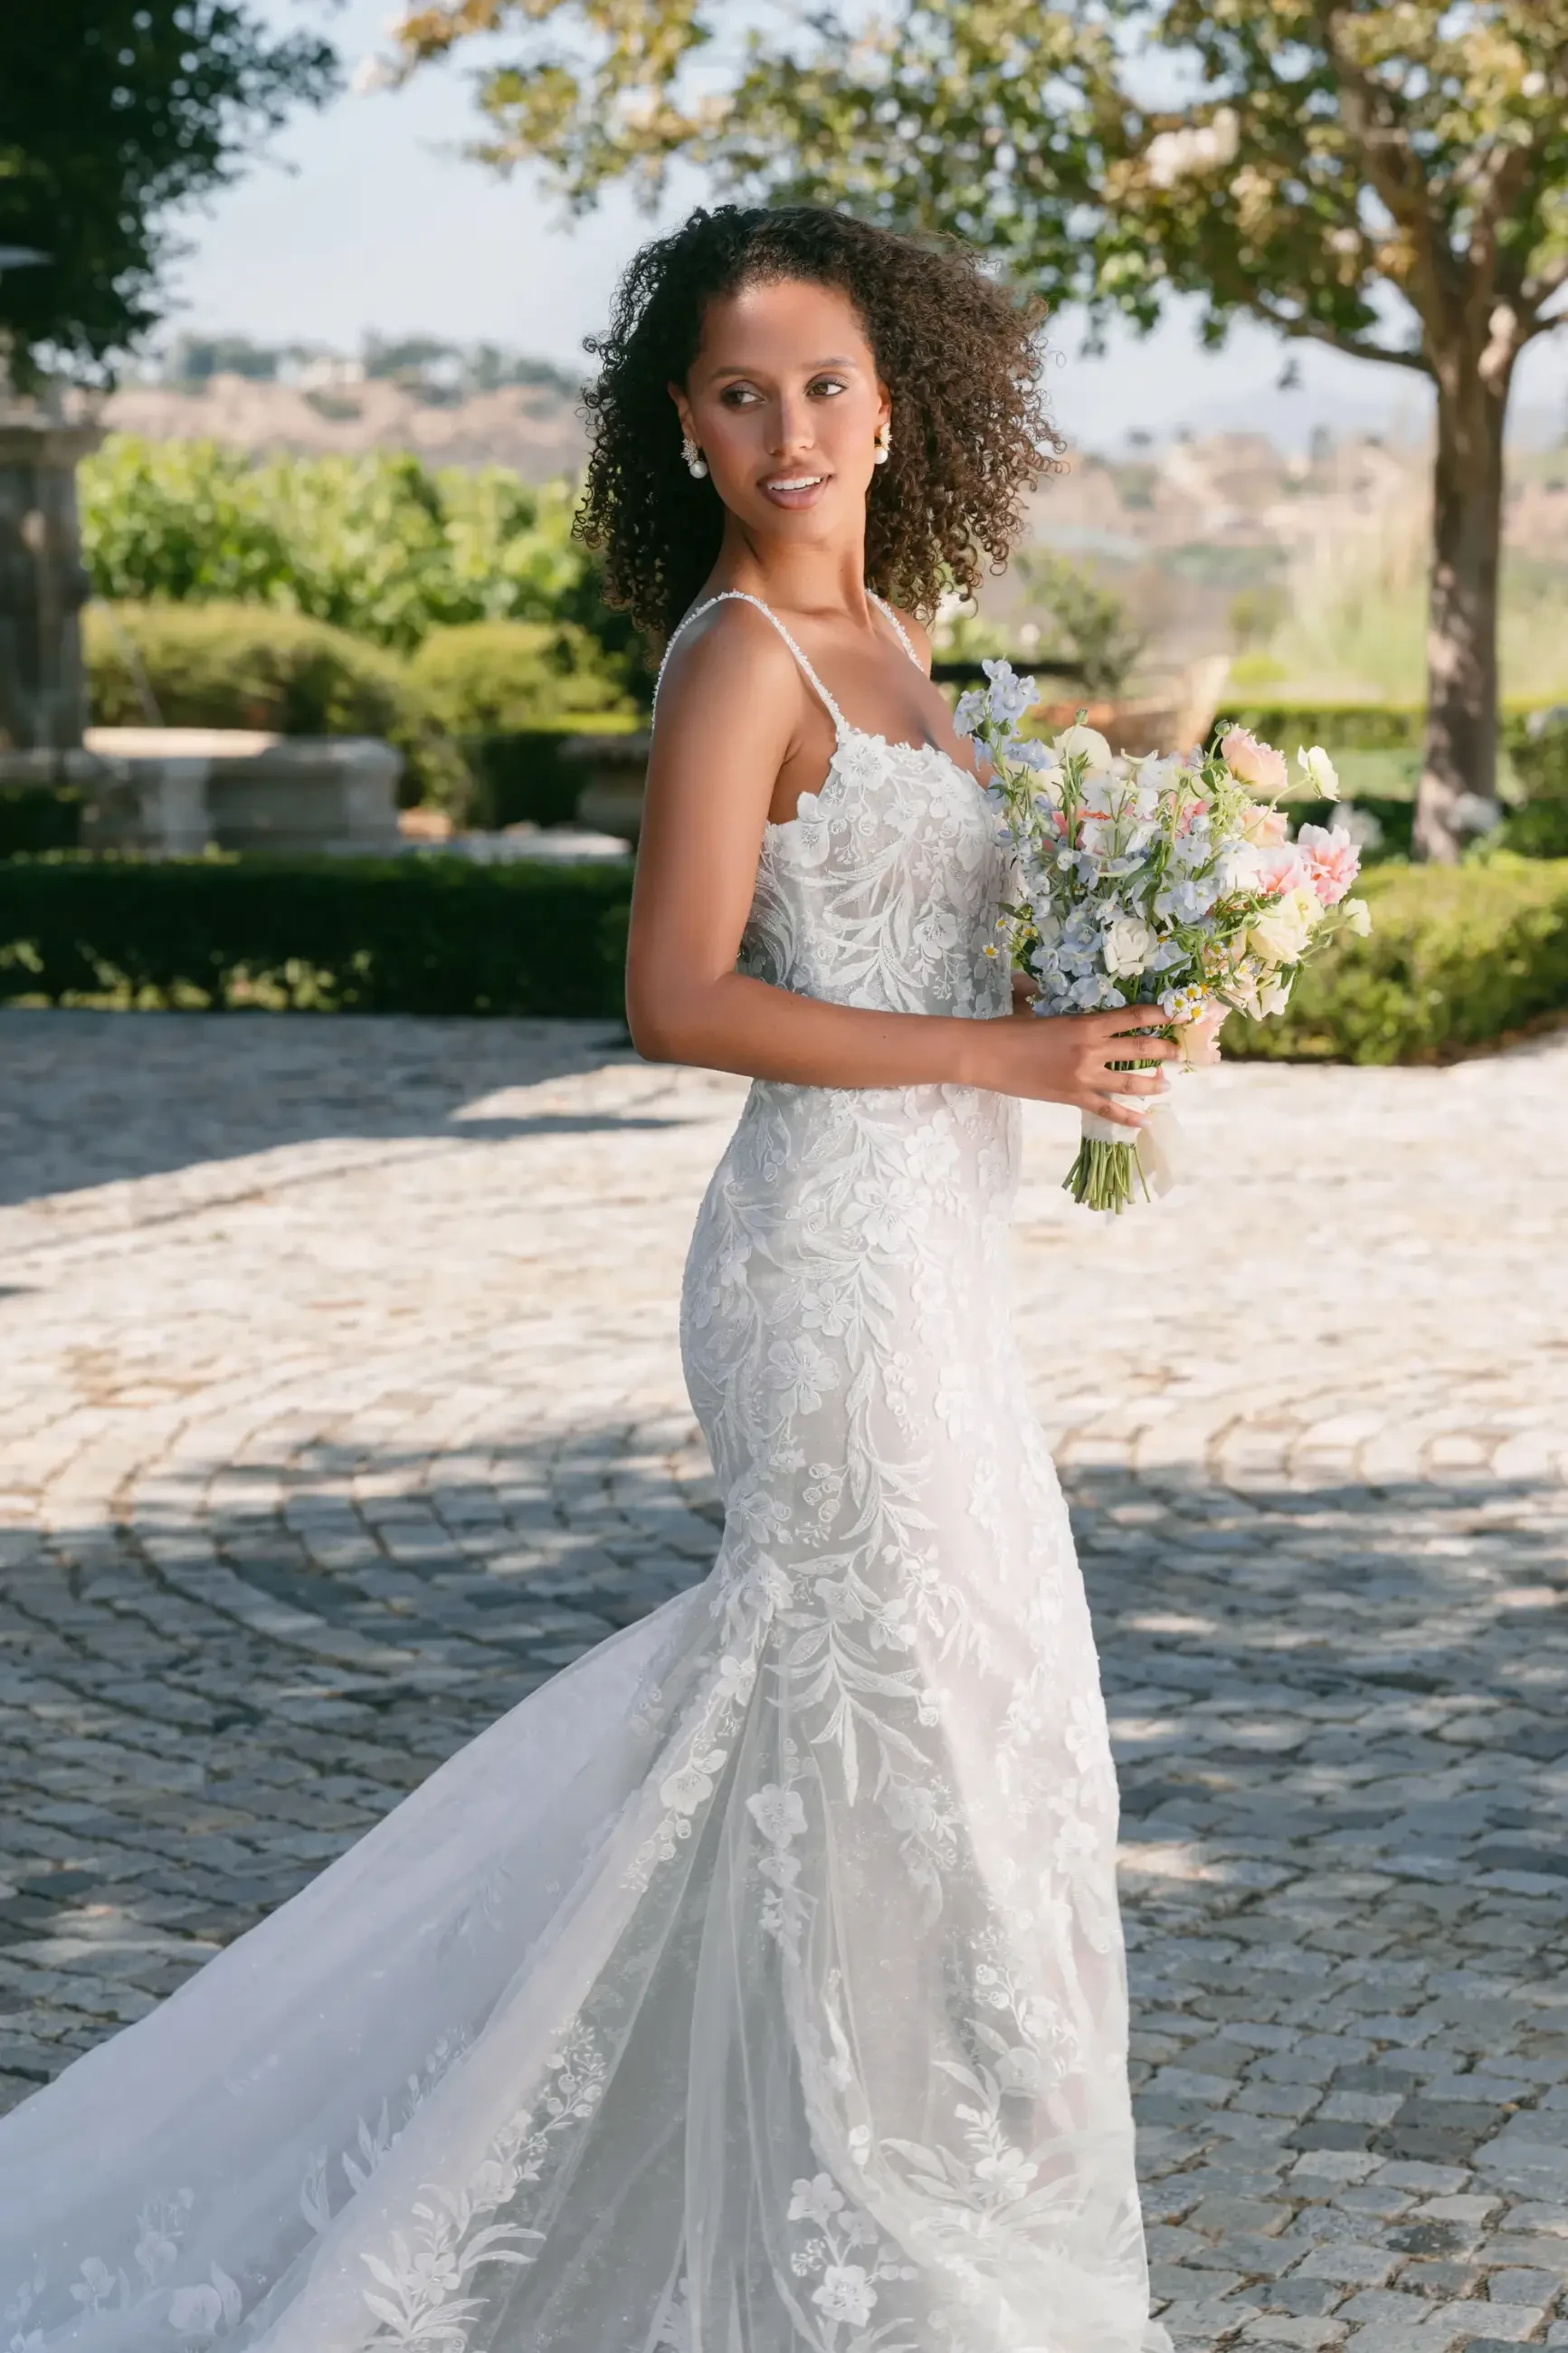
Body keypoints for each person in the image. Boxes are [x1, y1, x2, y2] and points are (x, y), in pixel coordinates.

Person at [0, 205, 1179, 2353]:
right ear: (685, 429)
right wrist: (996, 1049)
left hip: (938, 1246)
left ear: (898, 399)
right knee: (886, 1721)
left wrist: (1105, 990)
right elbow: (675, 994)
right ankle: (866, 2242)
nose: (790, 427)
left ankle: (844, 2186)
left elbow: (915, 941)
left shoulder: (904, 633)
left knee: (965, 1724)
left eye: (824, 383)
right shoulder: (737, 656)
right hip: (823, 1267)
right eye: (741, 394)